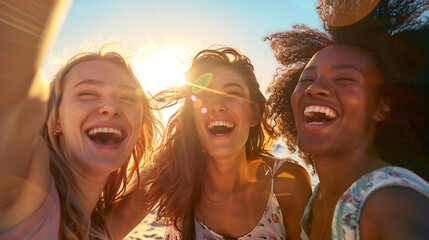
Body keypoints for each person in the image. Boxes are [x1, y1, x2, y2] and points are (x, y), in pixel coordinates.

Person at [264, 0, 429, 239]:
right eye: (307, 80)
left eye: (344, 79)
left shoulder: (390, 203)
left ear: (381, 107)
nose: (315, 88)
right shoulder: (317, 199)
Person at [0, 1, 160, 238]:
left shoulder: (96, 231)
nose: (110, 107)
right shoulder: (28, 183)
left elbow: (166, 170)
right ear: (53, 120)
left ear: (138, 129)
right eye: (87, 93)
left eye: (127, 98)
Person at [142, 47, 311, 240]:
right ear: (192, 116)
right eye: (205, 95)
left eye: (232, 93)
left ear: (254, 114)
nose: (217, 105)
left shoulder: (286, 183)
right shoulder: (173, 176)